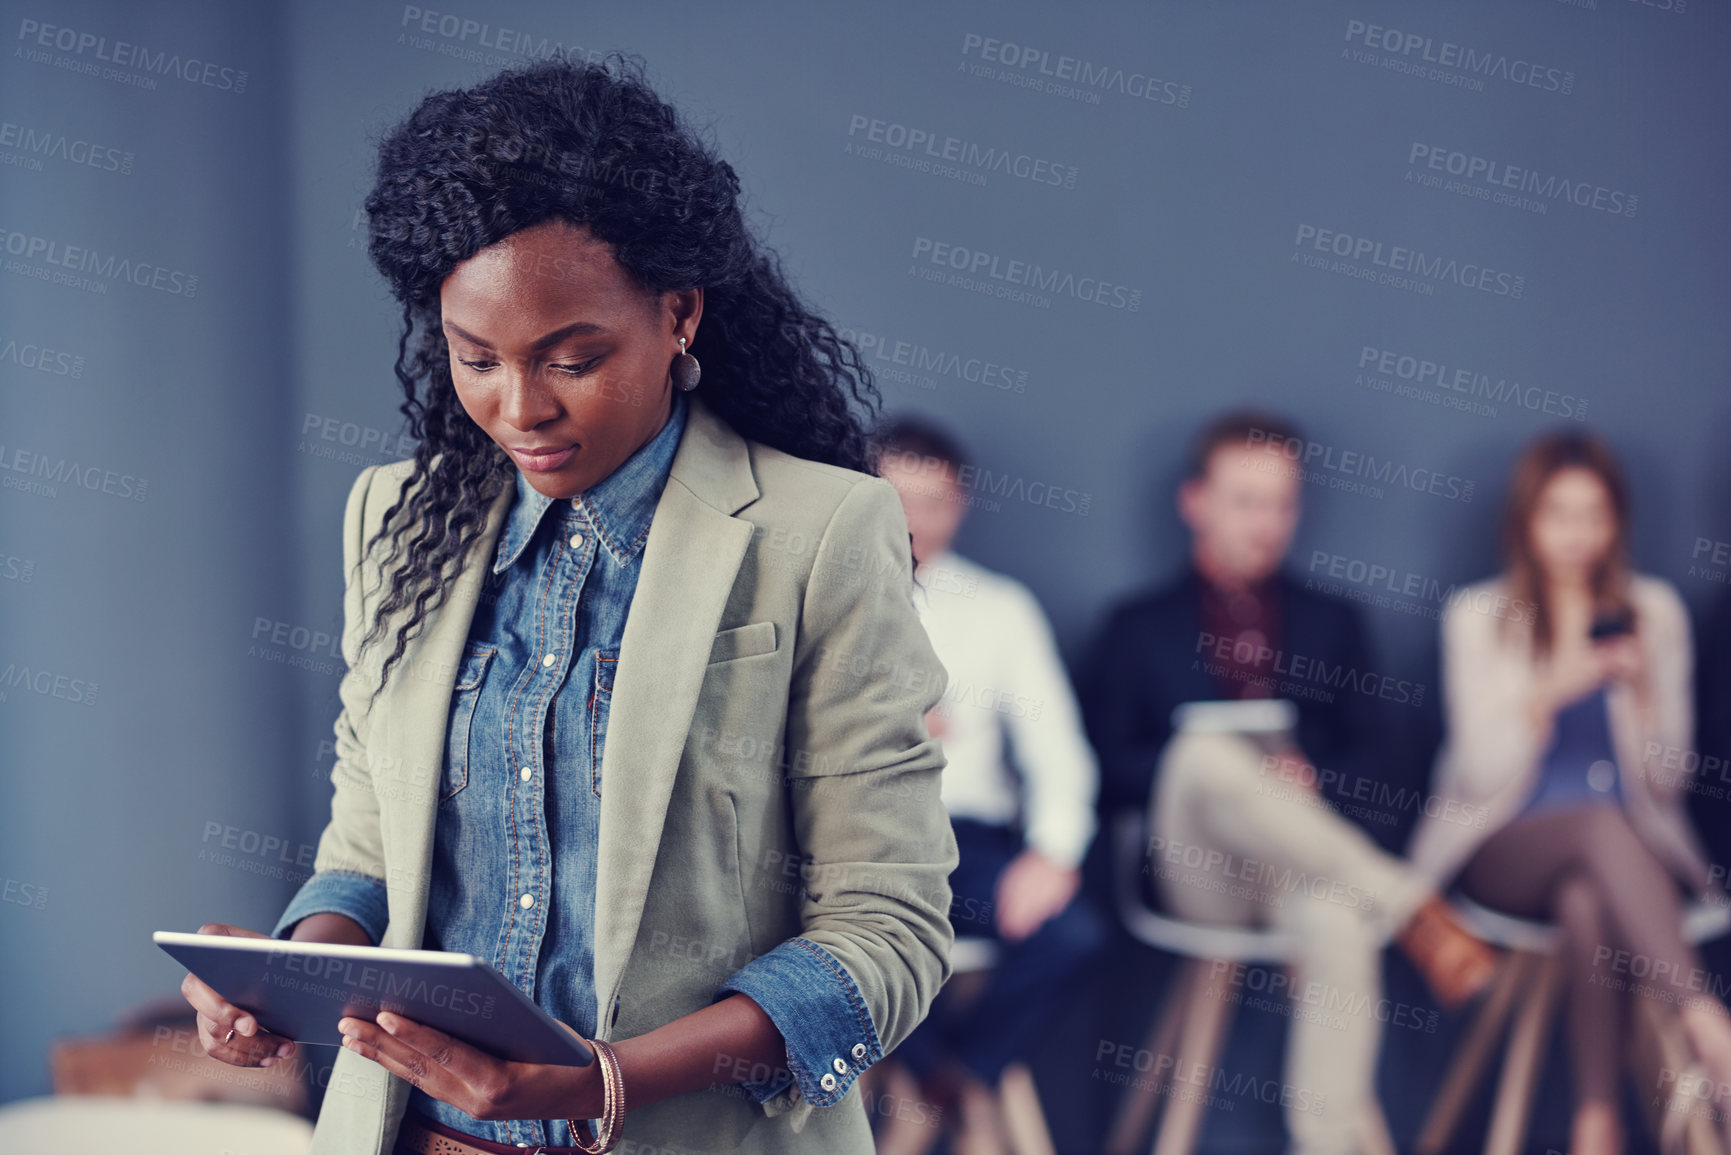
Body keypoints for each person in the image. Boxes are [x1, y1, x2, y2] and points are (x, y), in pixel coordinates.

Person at [175, 53, 958, 1155]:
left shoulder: (821, 534)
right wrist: (299, 968)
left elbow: (890, 933)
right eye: (475, 359)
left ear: (679, 313)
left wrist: (601, 1083)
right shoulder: (396, 518)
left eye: (573, 358)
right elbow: (372, 838)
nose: (520, 407)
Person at [1082, 410, 1497, 1155]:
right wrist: (1226, 774)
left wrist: (1306, 778)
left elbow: (1377, 758)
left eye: (1281, 502)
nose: (1266, 523)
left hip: (1303, 863)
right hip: (1194, 868)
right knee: (1203, 752)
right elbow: (1108, 770)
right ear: (1195, 501)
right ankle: (1410, 904)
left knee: (1337, 919)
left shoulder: (1331, 619)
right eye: (1245, 501)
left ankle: (1325, 1143)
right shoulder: (1136, 625)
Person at [1407, 430, 1731, 1155]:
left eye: (1594, 514)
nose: (1576, 534)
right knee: (1591, 828)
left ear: (1616, 520)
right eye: (1558, 513)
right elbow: (1478, 776)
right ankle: (1709, 1025)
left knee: (1586, 890)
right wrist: (1549, 690)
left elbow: (1667, 780)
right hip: (1502, 847)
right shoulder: (1478, 616)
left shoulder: (1655, 613)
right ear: (1526, 518)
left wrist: (1643, 697)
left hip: (1628, 859)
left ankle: (1596, 1121)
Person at [869, 416, 1108, 1155]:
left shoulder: (1000, 608)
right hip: (854, 839)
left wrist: (1052, 854)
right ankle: (937, 1074)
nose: (914, 521)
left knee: (1072, 931)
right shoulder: (819, 589)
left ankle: (950, 1075)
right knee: (858, 930)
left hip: (966, 841)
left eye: (933, 502)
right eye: (896, 498)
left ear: (961, 503)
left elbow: (1059, 751)